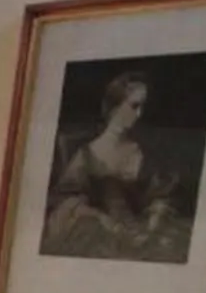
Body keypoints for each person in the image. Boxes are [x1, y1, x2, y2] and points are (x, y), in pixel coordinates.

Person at [40, 69, 190, 262]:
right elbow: (66, 202)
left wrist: (154, 221)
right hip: (102, 237)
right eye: (134, 106)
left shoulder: (147, 152)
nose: (140, 114)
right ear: (115, 106)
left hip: (145, 233)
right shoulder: (88, 155)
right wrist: (105, 222)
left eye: (143, 107)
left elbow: (163, 194)